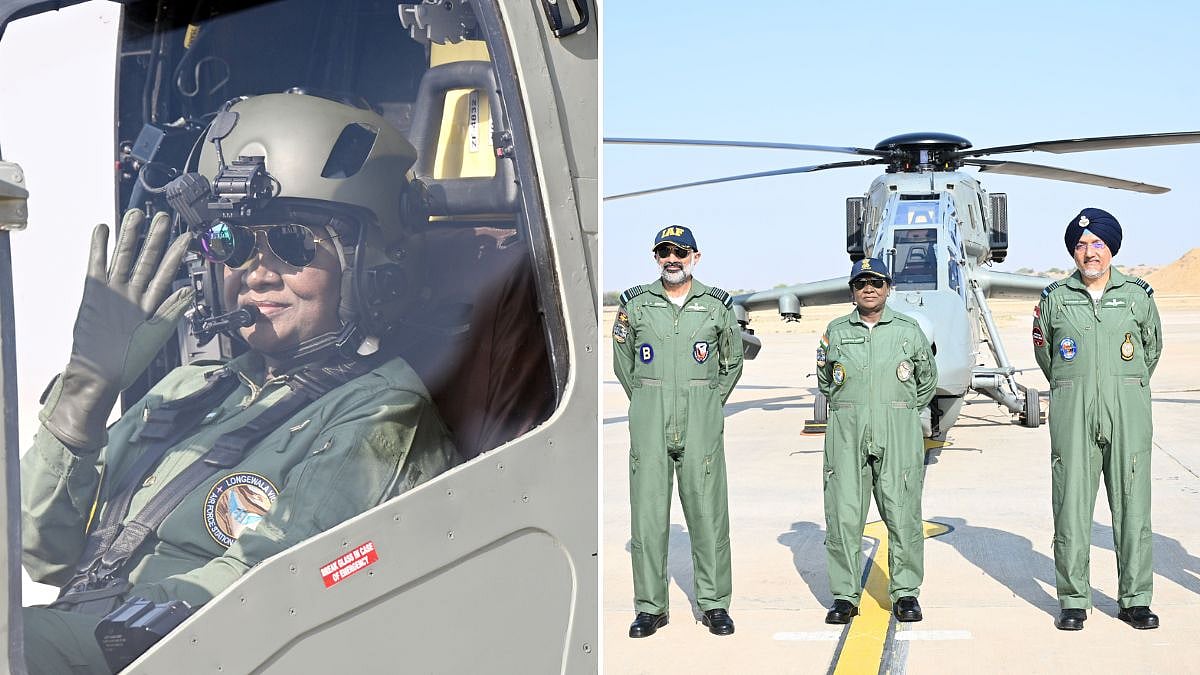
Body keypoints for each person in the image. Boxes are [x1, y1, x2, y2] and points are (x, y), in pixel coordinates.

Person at [21, 92, 458, 673]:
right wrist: (83, 394)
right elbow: (41, 551)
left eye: (292, 244)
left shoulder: (382, 415)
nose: (256, 271)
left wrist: (54, 638)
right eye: (231, 242)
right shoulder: (191, 389)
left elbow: (264, 595)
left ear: (372, 265)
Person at [1032, 208, 1162, 631]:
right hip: (1074, 411)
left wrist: (1124, 387)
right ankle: (1073, 599)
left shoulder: (1138, 296)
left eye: (1098, 245)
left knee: (1133, 506)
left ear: (1112, 250)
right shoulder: (1054, 299)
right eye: (1082, 245)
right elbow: (1046, 355)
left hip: (1128, 411)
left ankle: (1135, 599)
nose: (1090, 253)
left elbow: (1150, 351)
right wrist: (1076, 387)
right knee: (1070, 505)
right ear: (1073, 252)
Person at [612, 225, 743, 638]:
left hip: (700, 421)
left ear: (695, 258)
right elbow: (623, 363)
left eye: (681, 252)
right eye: (665, 252)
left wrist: (706, 401)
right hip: (650, 420)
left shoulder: (717, 305)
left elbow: (732, 363)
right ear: (656, 258)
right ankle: (650, 607)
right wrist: (650, 400)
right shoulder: (634, 304)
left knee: (708, 515)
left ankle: (715, 604)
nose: (673, 259)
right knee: (648, 518)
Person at [817, 257, 937, 625]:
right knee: (844, 515)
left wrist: (897, 410)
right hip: (847, 431)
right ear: (852, 291)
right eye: (861, 283)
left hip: (896, 430)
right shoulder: (835, 331)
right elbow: (826, 380)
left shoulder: (908, 330)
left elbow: (926, 380)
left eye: (877, 282)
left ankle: (905, 594)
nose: (869, 289)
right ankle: (844, 595)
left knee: (902, 514)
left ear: (889, 288)